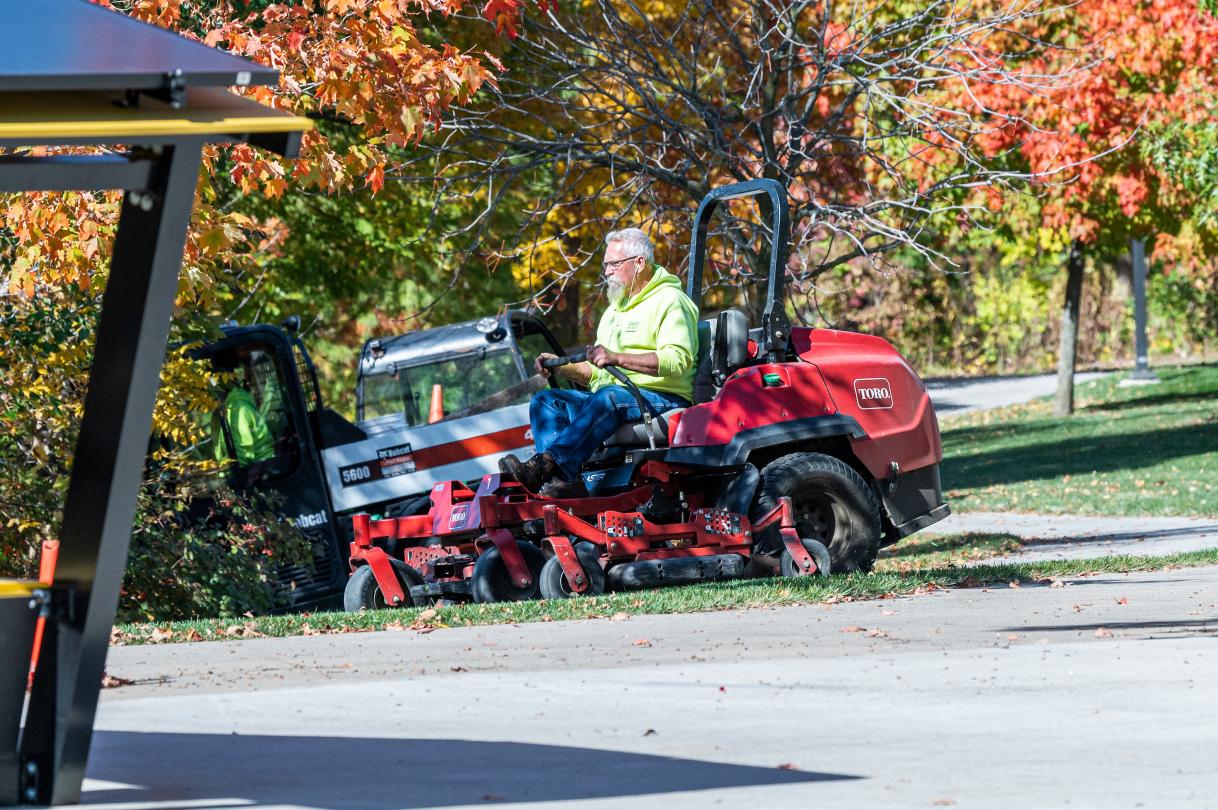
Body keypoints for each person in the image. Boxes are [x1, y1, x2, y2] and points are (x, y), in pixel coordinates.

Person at [500, 228, 699, 497]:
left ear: (639, 263)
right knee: (546, 402)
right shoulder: (613, 312)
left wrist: (617, 357)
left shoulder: (671, 301)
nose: (607, 272)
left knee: (609, 397)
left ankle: (548, 467)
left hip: (664, 397)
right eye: (606, 265)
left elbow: (678, 360)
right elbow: (597, 373)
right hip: (616, 398)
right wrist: (558, 366)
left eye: (614, 265)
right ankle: (562, 486)